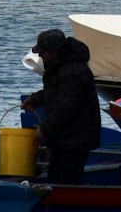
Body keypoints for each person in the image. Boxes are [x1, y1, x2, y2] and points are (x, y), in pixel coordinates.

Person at [22, 28, 101, 183]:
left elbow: (66, 106)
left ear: (54, 52)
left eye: (43, 52)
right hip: (64, 137)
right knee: (56, 178)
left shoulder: (73, 71)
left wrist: (44, 129)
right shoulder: (62, 67)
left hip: (76, 139)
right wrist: (35, 99)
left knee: (67, 181)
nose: (41, 56)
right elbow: (57, 93)